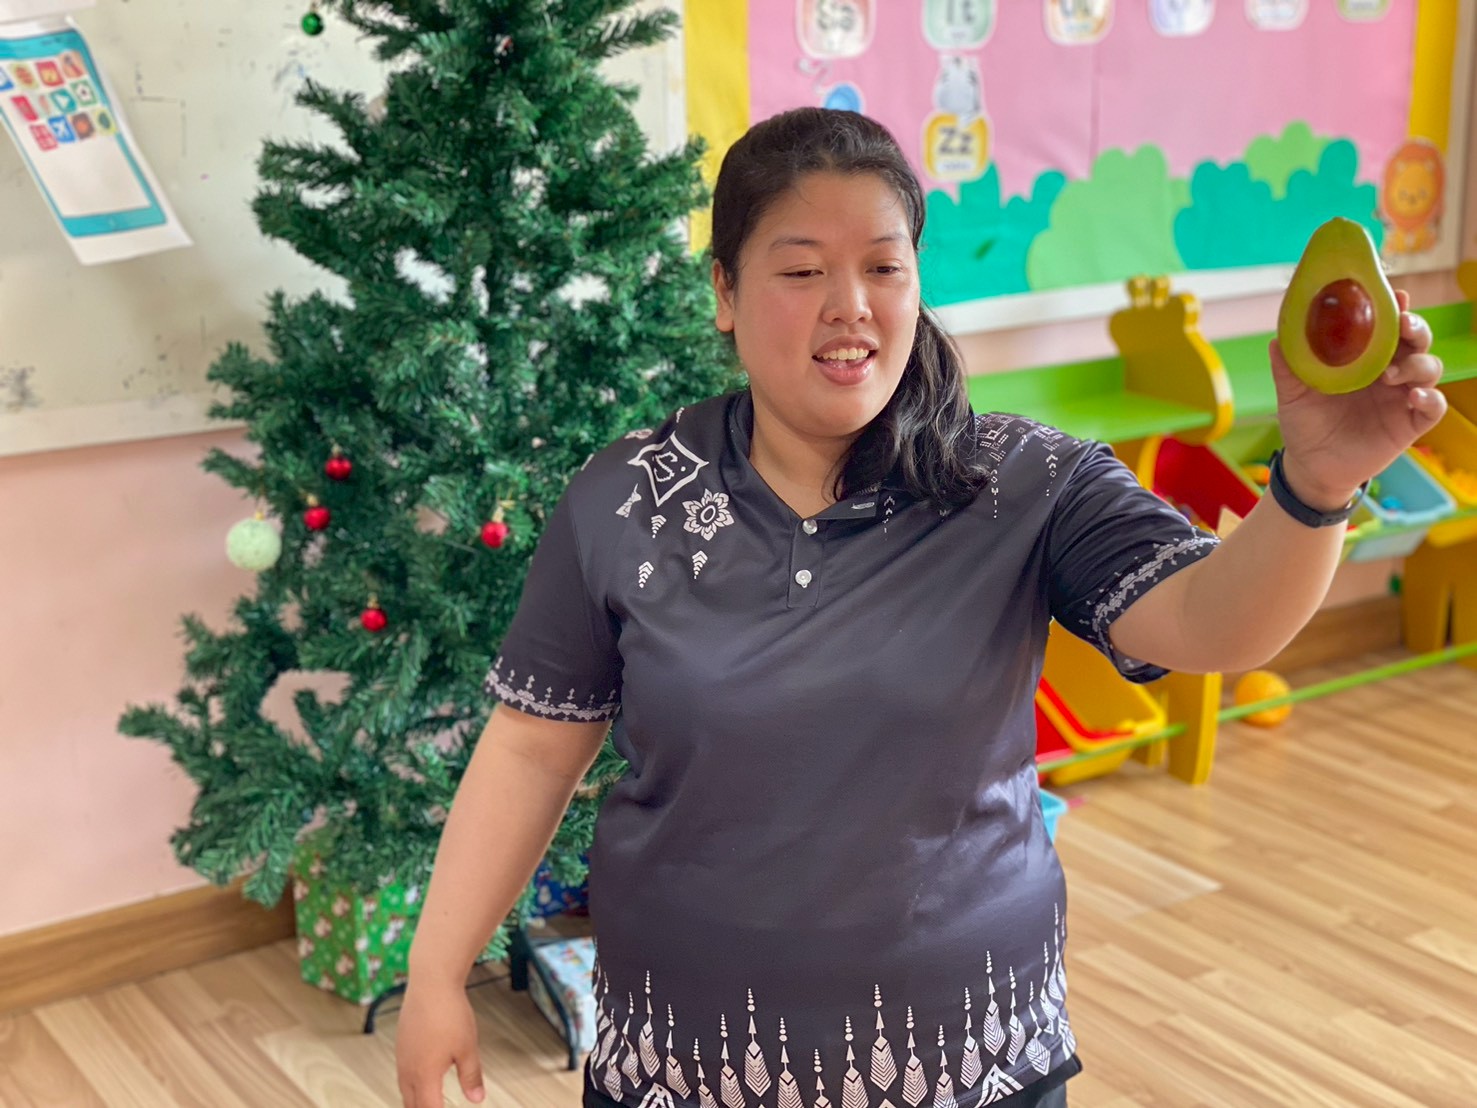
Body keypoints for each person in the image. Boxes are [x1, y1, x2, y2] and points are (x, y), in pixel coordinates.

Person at [394, 108, 1445, 1108]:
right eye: (801, 270)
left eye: (883, 267)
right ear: (723, 291)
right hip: (681, 1067)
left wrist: (1314, 487)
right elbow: (532, 749)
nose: (849, 304)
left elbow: (1212, 621)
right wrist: (438, 972)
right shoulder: (626, 496)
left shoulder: (1028, 483)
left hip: (968, 1067)